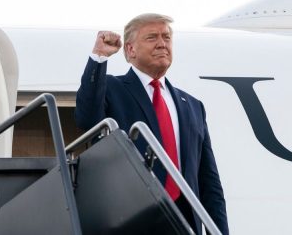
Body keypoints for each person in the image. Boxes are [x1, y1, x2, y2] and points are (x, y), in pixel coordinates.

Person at [75, 13, 229, 235]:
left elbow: (209, 183)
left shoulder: (193, 106)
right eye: (152, 37)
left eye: (166, 37)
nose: (162, 43)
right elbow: (87, 120)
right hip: (132, 219)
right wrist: (99, 57)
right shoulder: (111, 88)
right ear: (130, 50)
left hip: (184, 223)